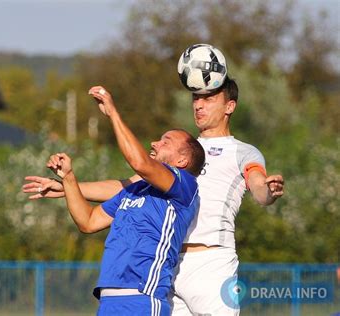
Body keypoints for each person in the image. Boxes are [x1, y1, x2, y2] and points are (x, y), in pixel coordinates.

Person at [23, 77, 284, 315]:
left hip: (210, 262)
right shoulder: (180, 151)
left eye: (209, 98)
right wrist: (69, 186)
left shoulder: (239, 152)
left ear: (229, 107)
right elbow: (126, 186)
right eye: (196, 98)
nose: (199, 105)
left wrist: (268, 192)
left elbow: (259, 188)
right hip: (169, 265)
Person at [26, 86, 205, 315]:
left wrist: (112, 113)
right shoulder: (136, 190)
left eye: (165, 141)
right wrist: (68, 180)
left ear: (182, 160)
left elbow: (139, 163)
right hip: (109, 301)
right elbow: (88, 221)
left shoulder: (185, 185)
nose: (154, 143)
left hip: (142, 300)